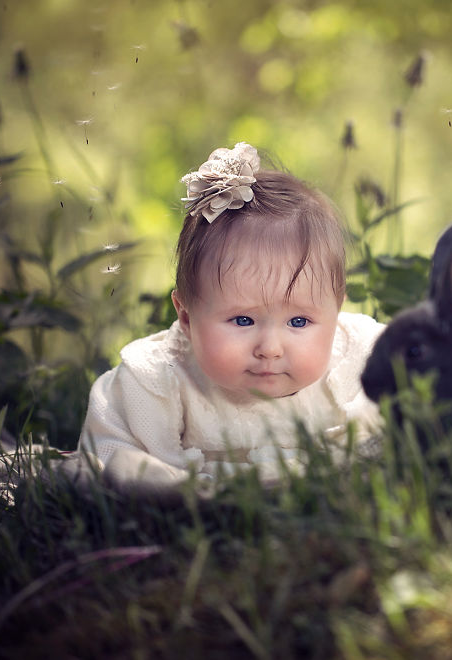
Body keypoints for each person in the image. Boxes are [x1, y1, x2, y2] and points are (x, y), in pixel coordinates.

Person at [78, 142, 384, 494]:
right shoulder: (157, 381)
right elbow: (107, 459)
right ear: (187, 319)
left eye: (298, 322)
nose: (270, 348)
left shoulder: (361, 366)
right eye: (243, 320)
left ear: (336, 313)